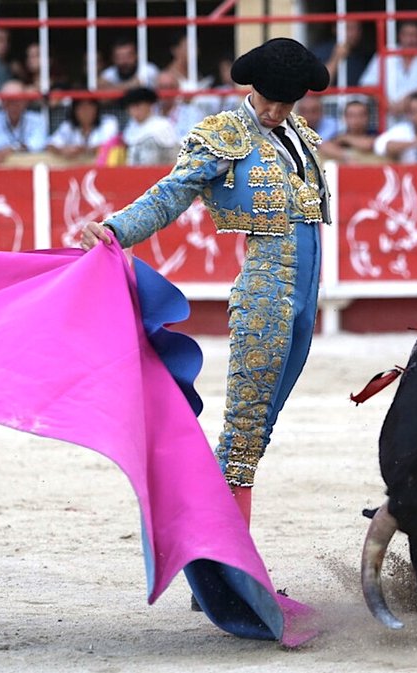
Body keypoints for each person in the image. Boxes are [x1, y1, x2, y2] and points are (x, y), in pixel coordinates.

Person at [79, 38, 332, 525]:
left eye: (288, 101)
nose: (277, 110)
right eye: (269, 99)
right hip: (267, 294)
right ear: (252, 88)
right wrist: (114, 230)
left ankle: (225, 558)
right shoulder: (224, 134)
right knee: (243, 430)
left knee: (261, 428)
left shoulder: (298, 132)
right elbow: (170, 195)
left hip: (305, 297)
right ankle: (217, 569)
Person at [359, 21, 417, 118]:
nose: (411, 40)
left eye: (415, 35)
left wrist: (409, 100)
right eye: (406, 34)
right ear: (400, 36)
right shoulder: (386, 53)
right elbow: (366, 85)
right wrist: (385, 101)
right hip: (388, 118)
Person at [120, 86, 179, 166]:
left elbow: (173, 157)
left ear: (149, 105)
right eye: (131, 107)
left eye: (138, 106)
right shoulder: (130, 128)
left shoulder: (162, 125)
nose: (134, 111)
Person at [47, 98, 119, 160]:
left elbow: (111, 146)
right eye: (81, 108)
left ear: (96, 109)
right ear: (74, 111)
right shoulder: (68, 126)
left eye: (89, 107)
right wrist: (62, 151)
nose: (86, 112)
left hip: (104, 169)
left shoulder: (109, 122)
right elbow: (51, 145)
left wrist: (83, 150)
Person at [310, 21, 374, 86]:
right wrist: (336, 58)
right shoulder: (321, 52)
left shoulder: (364, 55)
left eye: (358, 29)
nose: (354, 33)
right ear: (335, 29)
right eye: (349, 28)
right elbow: (318, 86)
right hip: (331, 96)